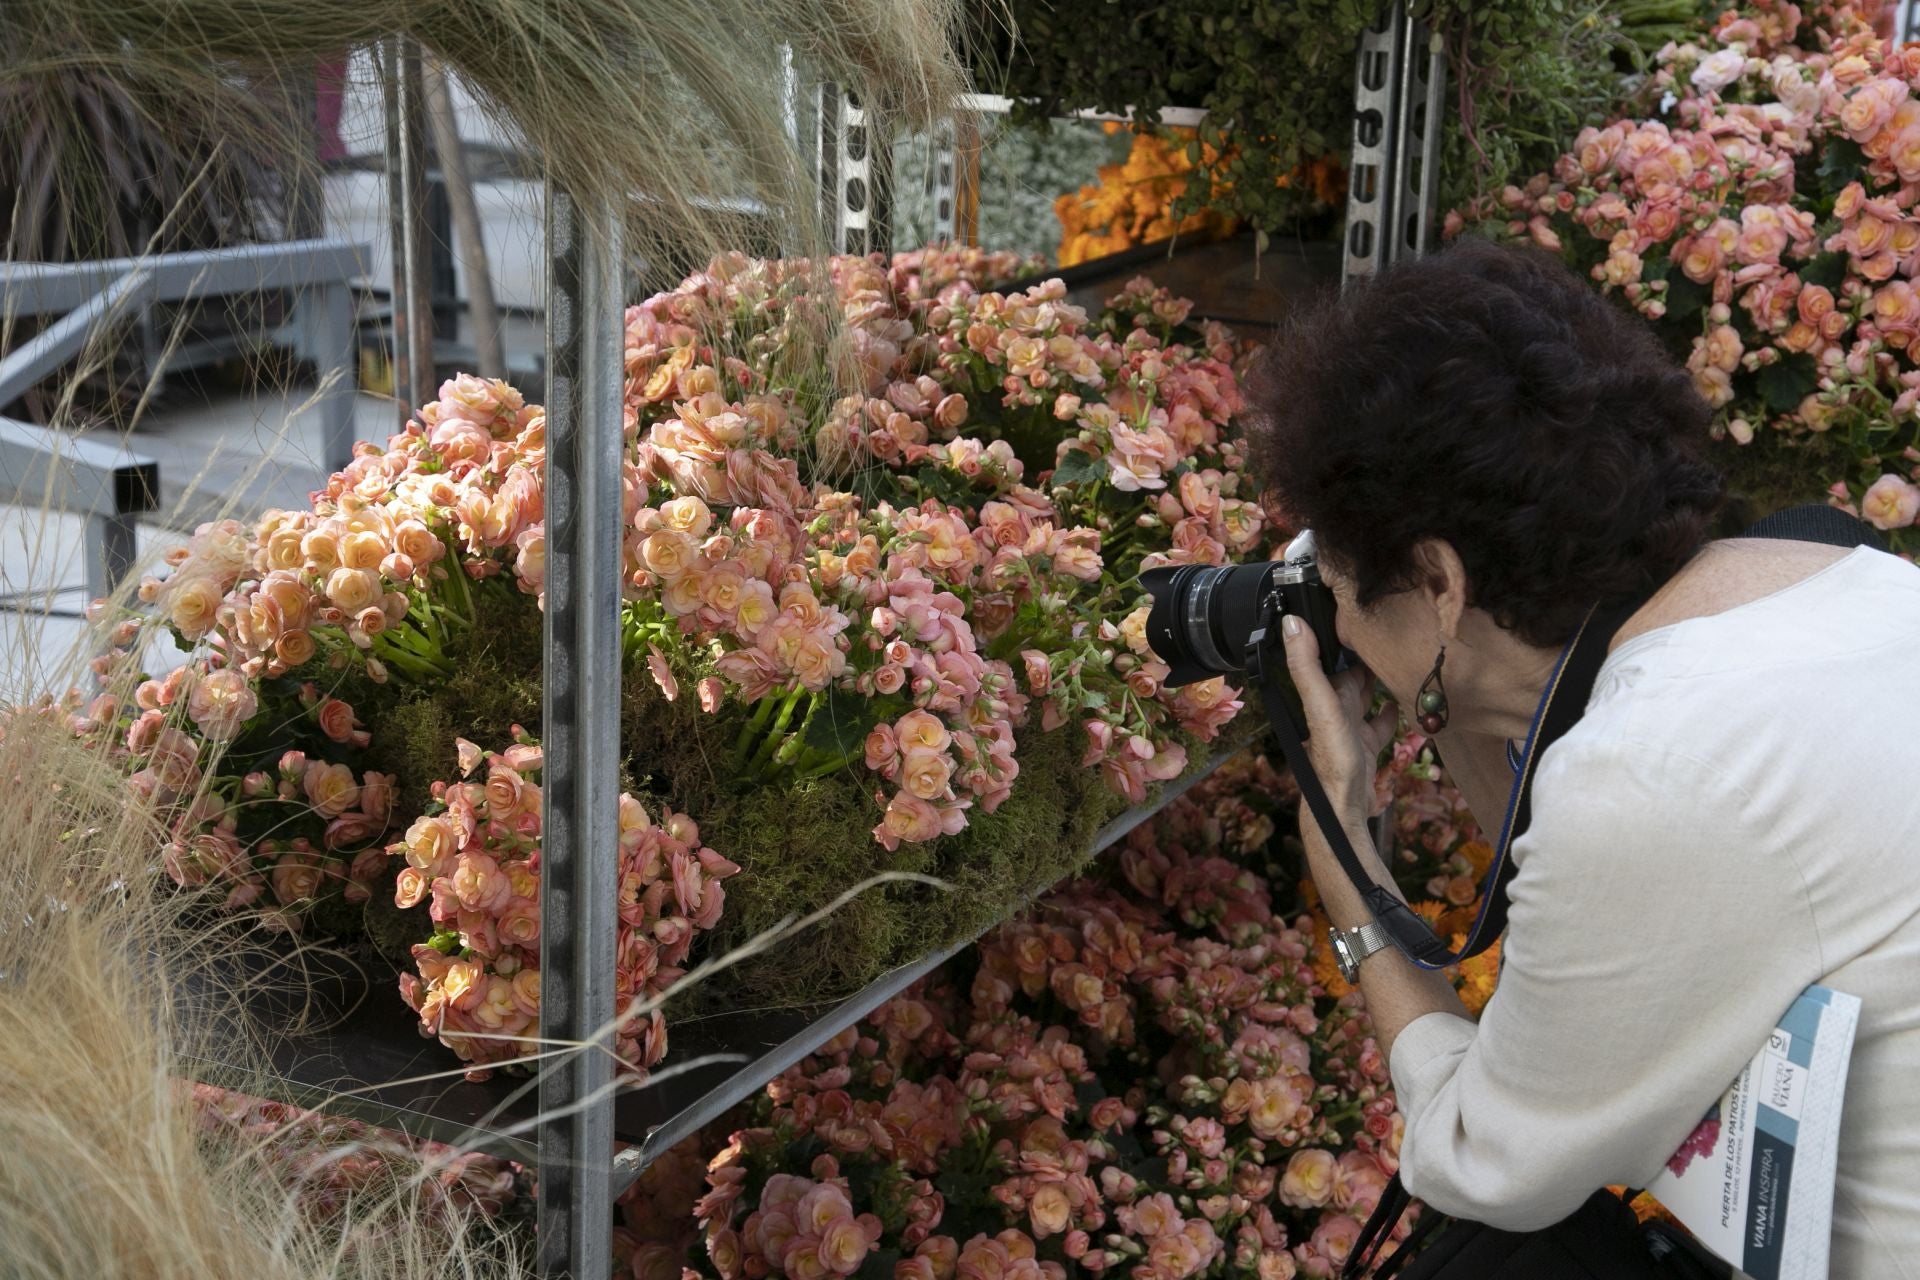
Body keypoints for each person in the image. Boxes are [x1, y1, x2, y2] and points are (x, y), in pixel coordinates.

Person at [1243, 237, 1920, 1275]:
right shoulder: (1843, 575)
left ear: (1437, 580)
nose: (1335, 617)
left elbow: (1486, 1160)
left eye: (1330, 573)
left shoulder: (1646, 771)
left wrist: (1348, 874)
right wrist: (1444, 701)